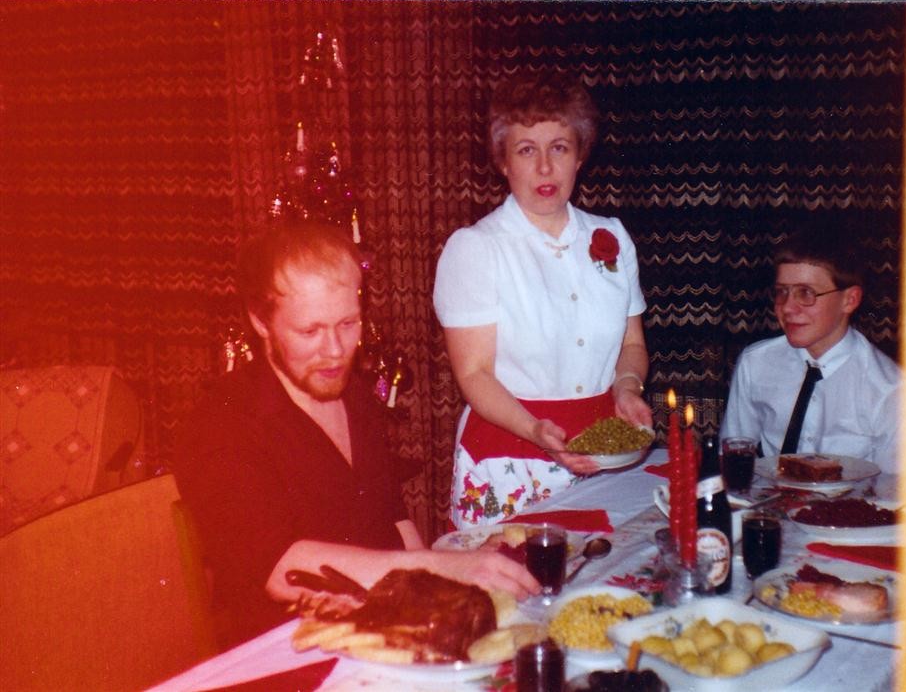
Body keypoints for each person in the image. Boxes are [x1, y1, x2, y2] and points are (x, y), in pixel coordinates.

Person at [173, 219, 538, 649]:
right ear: (261, 321)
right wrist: (441, 567)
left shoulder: (356, 396)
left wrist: (446, 589)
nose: (334, 350)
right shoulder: (221, 422)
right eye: (310, 331)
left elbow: (395, 519)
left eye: (348, 324)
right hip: (292, 649)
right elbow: (281, 571)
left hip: (385, 628)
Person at [433, 71, 652, 529]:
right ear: (503, 162)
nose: (546, 168)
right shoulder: (476, 249)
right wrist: (534, 429)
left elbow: (632, 345)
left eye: (559, 148)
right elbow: (473, 374)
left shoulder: (611, 236)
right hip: (511, 454)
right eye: (527, 150)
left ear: (579, 156)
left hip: (600, 455)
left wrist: (627, 388)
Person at [720, 227, 902, 474]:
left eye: (805, 293)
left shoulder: (889, 389)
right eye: (781, 292)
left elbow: (893, 487)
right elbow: (732, 454)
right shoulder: (756, 363)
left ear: (849, 300)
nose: (787, 308)